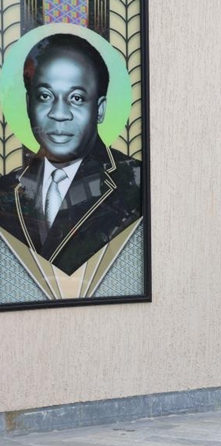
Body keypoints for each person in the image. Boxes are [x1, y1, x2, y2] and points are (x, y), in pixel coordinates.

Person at [0, 33, 142, 275]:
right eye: (45, 96)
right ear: (28, 103)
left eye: (76, 98)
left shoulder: (136, 182)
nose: (59, 113)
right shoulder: (6, 188)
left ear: (100, 109)